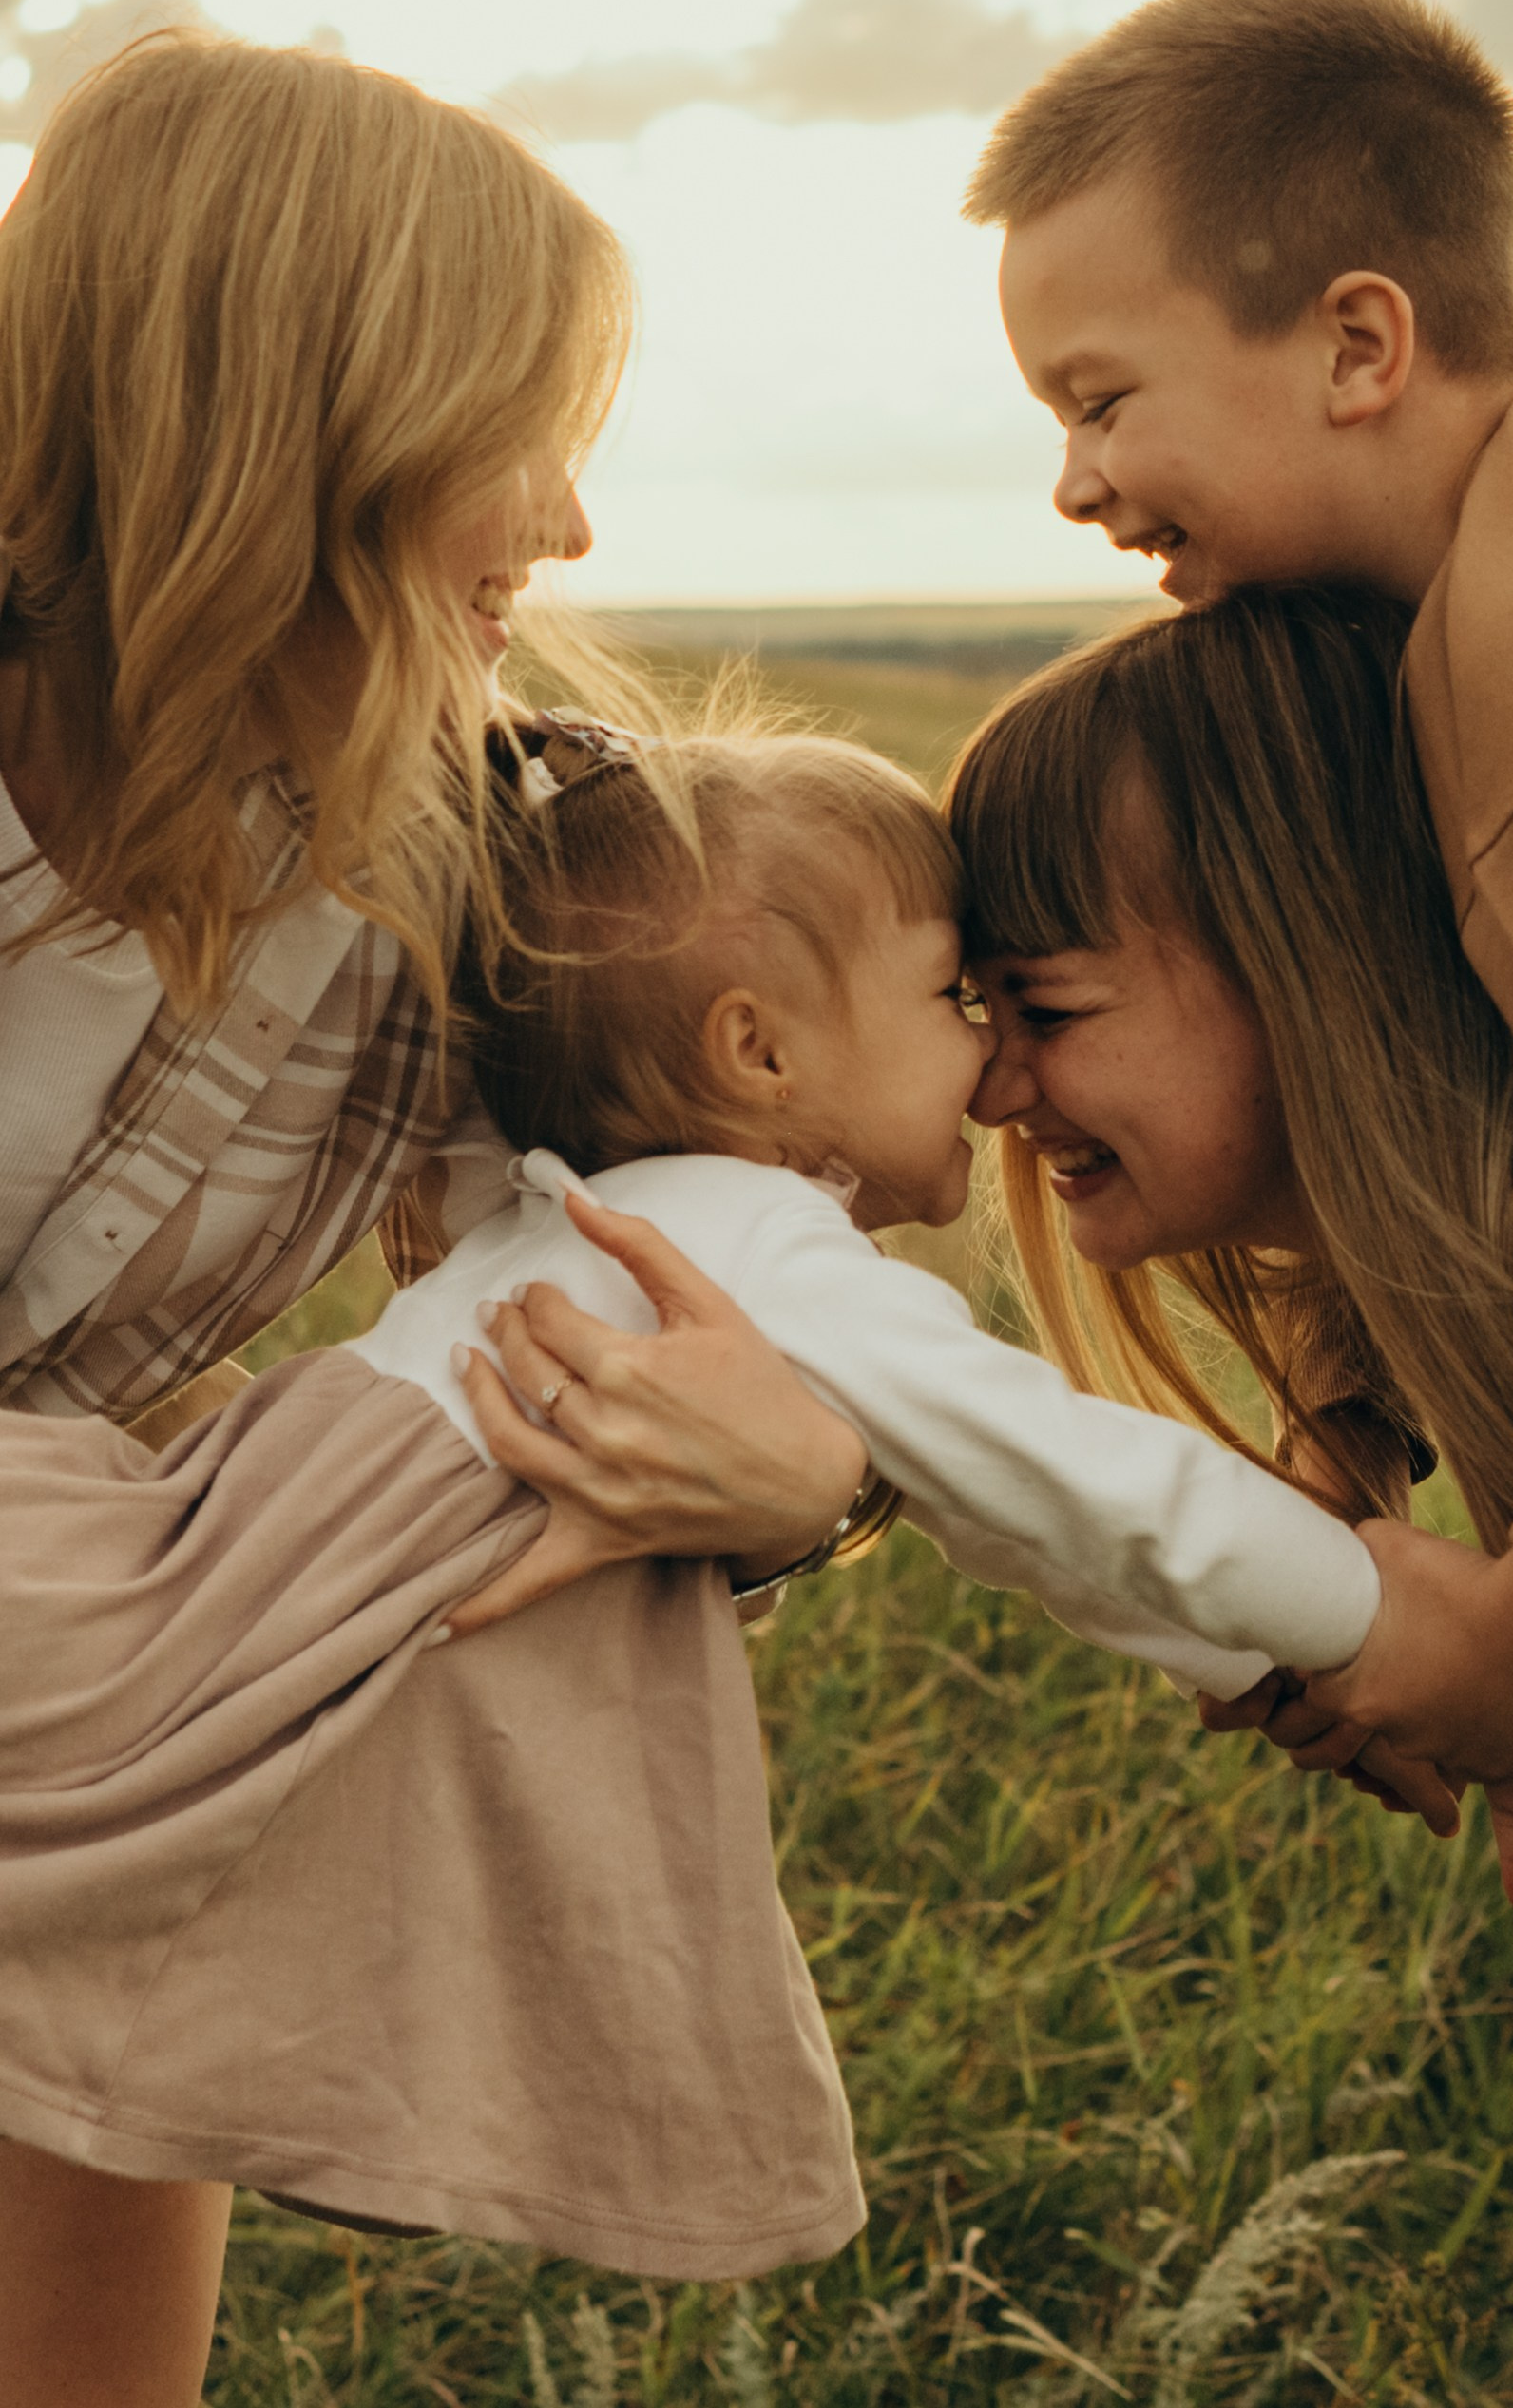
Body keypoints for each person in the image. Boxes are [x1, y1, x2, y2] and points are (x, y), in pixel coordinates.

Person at [2, 716, 1422, 2406]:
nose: (989, 1064)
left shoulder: (583, 1209)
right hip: (231, 1653)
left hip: (191, 1596)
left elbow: (996, 1515)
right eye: (952, 996)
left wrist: (1247, 1671)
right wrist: (1382, 1618)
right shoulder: (761, 1242)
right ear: (756, 1049)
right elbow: (1074, 1475)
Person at [0, 22, 802, 2408]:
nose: (565, 529)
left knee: (439, 1500)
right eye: (515, 434)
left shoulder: (470, 853)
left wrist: (795, 1481)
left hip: (94, 1659)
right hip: (74, 1639)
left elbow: (584, 1300)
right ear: (288, 423)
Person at [956, 0, 1513, 1799]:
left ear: (1361, 345)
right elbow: (1404, 1017)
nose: (1073, 482)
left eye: (1102, 400)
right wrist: (1355, 1411)